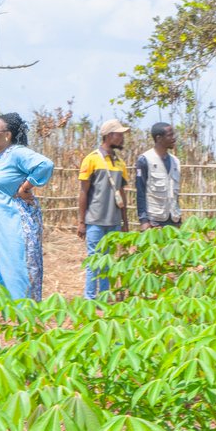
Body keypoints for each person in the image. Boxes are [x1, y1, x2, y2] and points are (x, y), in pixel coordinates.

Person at [0, 112, 55, 301]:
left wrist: (25, 188)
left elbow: (45, 164)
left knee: (17, 274)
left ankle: (26, 321)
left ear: (7, 135)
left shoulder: (16, 153)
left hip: (11, 228)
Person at [78, 119, 130, 299]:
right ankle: (90, 299)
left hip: (113, 221)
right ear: (109, 136)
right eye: (119, 135)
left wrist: (125, 222)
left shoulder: (120, 163)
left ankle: (105, 296)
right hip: (95, 221)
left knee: (108, 261)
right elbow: (83, 192)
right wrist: (81, 222)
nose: (122, 138)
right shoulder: (91, 159)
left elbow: (122, 194)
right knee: (94, 261)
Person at [135, 122, 182, 229]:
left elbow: (175, 194)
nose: (173, 138)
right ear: (159, 138)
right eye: (170, 135)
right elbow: (140, 192)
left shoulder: (175, 162)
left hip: (173, 220)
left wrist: (179, 219)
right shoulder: (144, 160)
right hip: (154, 221)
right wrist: (144, 220)